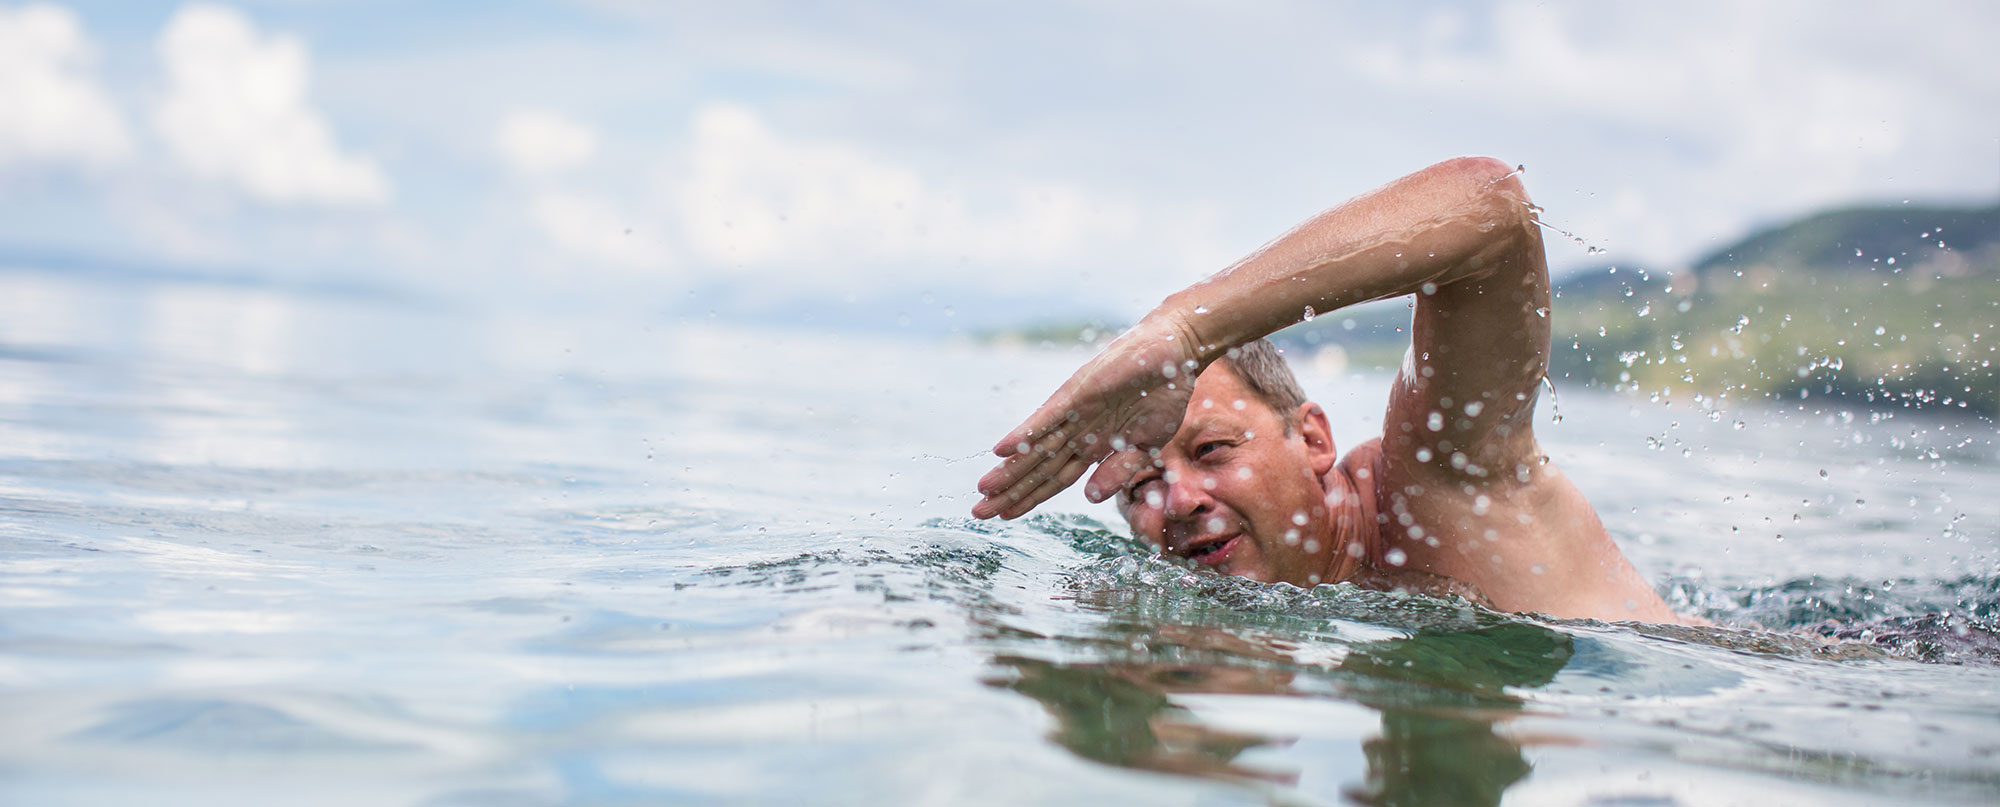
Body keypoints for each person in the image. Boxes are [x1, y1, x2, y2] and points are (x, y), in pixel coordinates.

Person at [971, 156, 1689, 624]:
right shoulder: (1225, 606)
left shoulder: (1430, 494)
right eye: (1142, 487)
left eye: (1213, 449)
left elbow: (1491, 216)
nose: (1179, 501)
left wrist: (1187, 328)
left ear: (1313, 437)